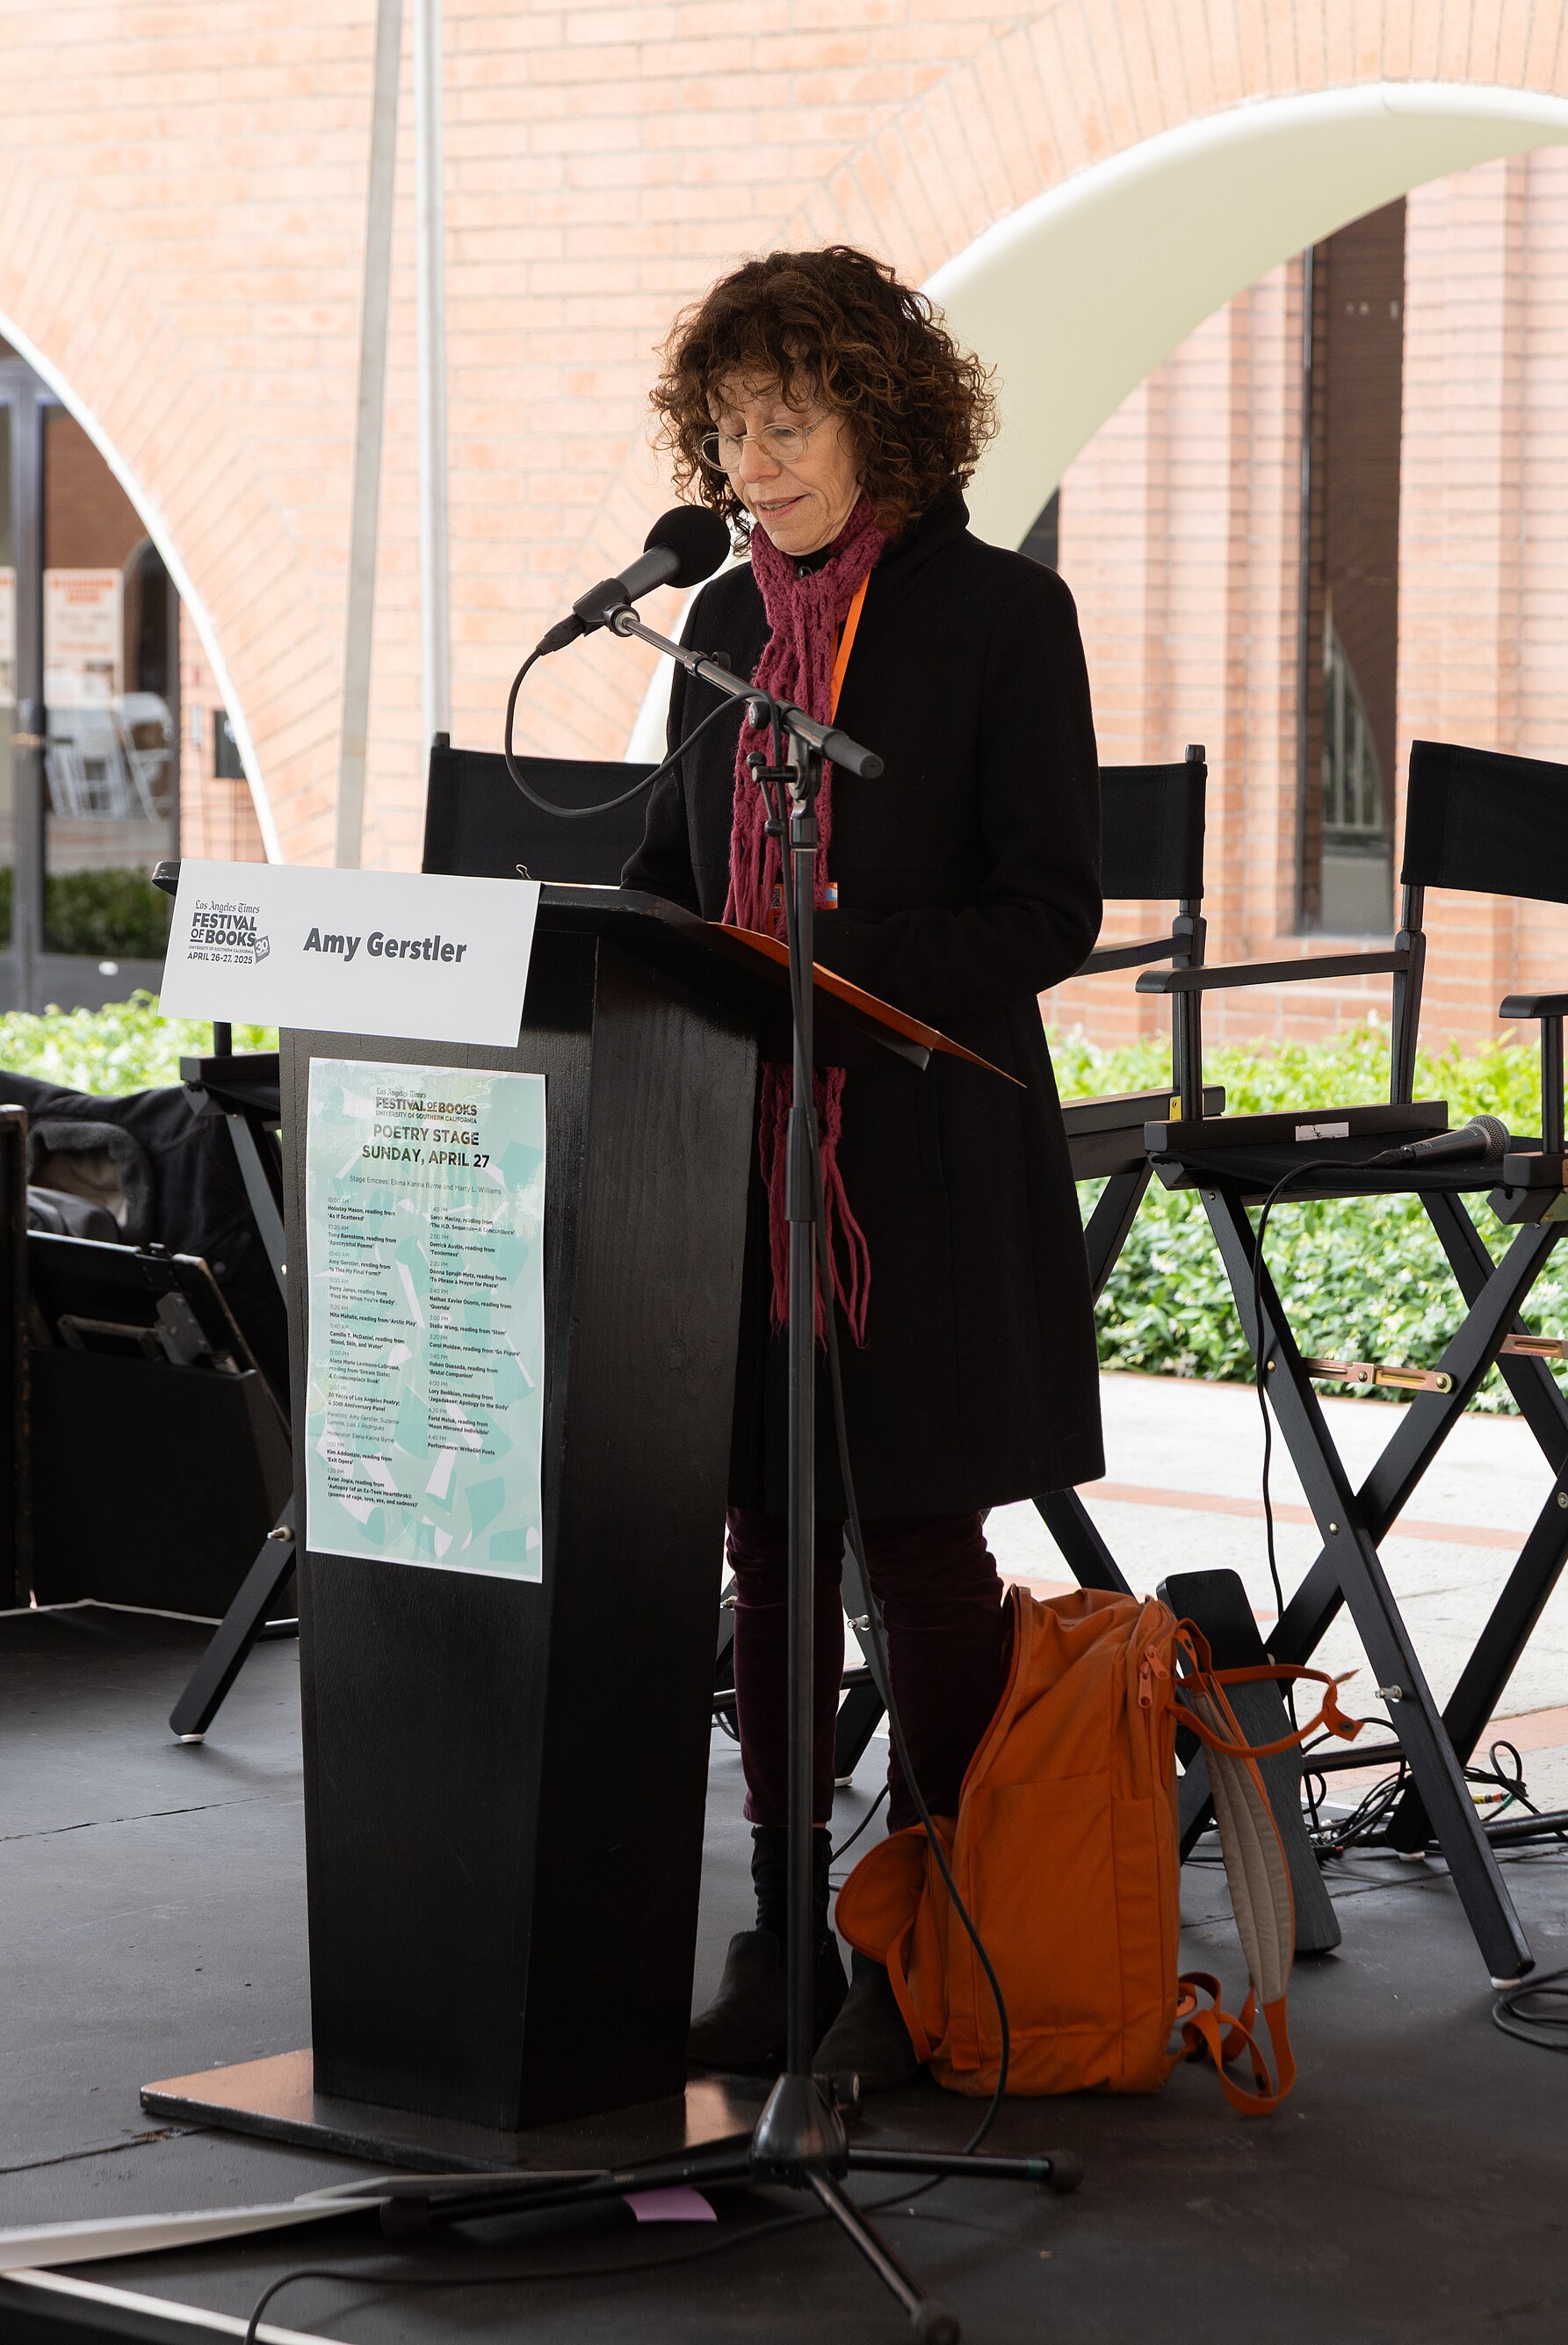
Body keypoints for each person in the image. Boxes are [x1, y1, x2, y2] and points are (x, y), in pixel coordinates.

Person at [621, 244, 1102, 2090]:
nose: (757, 461)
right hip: (737, 1149)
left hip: (919, 1147)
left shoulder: (999, 617)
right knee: (761, 1529)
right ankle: (785, 1919)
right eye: (733, 429)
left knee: (913, 1537)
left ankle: (939, 1918)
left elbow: (1050, 907)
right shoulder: (722, 629)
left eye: (790, 418)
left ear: (878, 411)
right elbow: (675, 878)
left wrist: (840, 956)